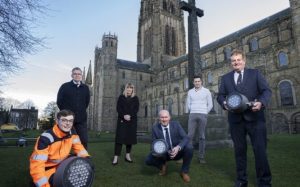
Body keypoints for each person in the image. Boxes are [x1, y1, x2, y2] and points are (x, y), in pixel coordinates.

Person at [217, 49, 272, 187]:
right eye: (233, 60)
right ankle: (241, 180)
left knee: (260, 150)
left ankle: (264, 182)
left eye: (238, 60)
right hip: (236, 120)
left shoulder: (255, 74)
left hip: (255, 118)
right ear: (231, 63)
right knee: (239, 151)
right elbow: (220, 95)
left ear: (244, 61)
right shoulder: (226, 78)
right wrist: (224, 103)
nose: (236, 62)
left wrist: (261, 103)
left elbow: (266, 91)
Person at [29, 110, 90, 187]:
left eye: (70, 121)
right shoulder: (46, 138)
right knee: (49, 182)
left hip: (62, 165)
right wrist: (44, 185)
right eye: (64, 120)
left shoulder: (72, 133)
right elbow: (37, 166)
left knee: (76, 168)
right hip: (47, 169)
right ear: (57, 121)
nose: (68, 123)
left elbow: (80, 149)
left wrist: (87, 161)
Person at [145, 110, 193, 183]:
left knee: (189, 147)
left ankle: (184, 172)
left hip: (177, 152)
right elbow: (153, 144)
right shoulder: (155, 128)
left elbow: (186, 138)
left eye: (166, 117)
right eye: (162, 117)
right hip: (163, 154)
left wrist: (178, 147)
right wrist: (159, 152)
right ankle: (162, 166)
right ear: (159, 118)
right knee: (148, 160)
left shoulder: (176, 124)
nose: (164, 119)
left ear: (169, 118)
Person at [57, 67, 90, 149]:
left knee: (83, 140)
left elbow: (86, 102)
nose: (77, 75)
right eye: (75, 74)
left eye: (79, 74)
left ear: (81, 75)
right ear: (72, 75)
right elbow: (59, 101)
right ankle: (65, 160)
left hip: (81, 120)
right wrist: (66, 114)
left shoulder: (85, 88)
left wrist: (80, 111)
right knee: (65, 141)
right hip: (67, 120)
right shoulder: (65, 86)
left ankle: (83, 160)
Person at [186, 75, 213, 164]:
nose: (197, 83)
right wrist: (192, 110)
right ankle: (187, 156)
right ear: (193, 83)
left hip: (203, 114)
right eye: (195, 81)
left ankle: (201, 157)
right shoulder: (190, 92)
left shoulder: (206, 91)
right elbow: (188, 104)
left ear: (201, 82)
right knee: (190, 136)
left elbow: (210, 104)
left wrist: (205, 112)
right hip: (192, 114)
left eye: (198, 81)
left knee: (202, 136)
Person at [112, 83, 139, 165]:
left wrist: (130, 115)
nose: (129, 89)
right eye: (128, 87)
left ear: (133, 89)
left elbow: (136, 109)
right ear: (125, 88)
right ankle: (116, 157)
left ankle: (127, 156)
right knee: (119, 139)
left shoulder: (135, 98)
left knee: (129, 139)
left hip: (132, 121)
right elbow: (118, 108)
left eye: (131, 88)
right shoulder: (121, 97)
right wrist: (124, 115)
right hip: (122, 120)